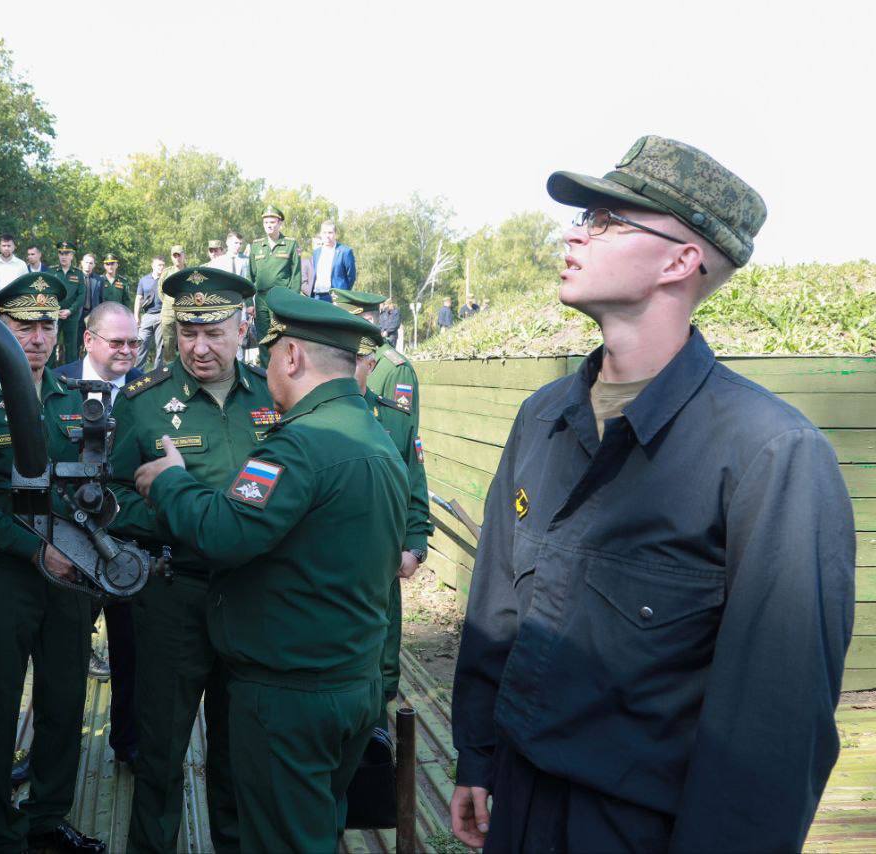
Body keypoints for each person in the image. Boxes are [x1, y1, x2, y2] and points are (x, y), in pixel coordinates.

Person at [449, 135, 855, 854]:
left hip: (638, 829)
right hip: (517, 804)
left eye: (606, 220)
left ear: (679, 261)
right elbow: (497, 608)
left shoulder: (770, 454)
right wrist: (476, 757)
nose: (575, 234)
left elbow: (775, 728)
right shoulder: (544, 418)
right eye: (584, 218)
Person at [131, 287, 405, 851]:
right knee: (315, 828)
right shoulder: (374, 435)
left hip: (291, 696)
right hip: (353, 682)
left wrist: (172, 481)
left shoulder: (298, 446)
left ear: (293, 357)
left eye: (273, 352)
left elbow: (225, 532)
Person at [0, 270, 106, 854]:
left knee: (64, 701)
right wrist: (35, 549)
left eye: (46, 325)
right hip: (7, 574)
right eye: (22, 325)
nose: (36, 338)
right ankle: (3, 832)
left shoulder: (75, 399)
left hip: (71, 574)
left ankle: (46, 819)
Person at [108, 267, 269, 853]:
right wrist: (181, 517)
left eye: (214, 333)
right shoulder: (145, 402)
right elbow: (112, 496)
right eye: (187, 332)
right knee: (159, 750)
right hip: (174, 593)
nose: (199, 348)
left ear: (243, 328)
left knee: (239, 749)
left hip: (253, 596)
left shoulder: (273, 396)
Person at [56, 301, 144, 760]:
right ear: (88, 340)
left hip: (128, 542)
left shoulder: (149, 390)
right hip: (69, 543)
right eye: (118, 342)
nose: (128, 351)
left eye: (134, 342)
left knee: (133, 651)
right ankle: (53, 755)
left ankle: (129, 745)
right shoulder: (55, 386)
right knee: (62, 657)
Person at [354, 335, 431, 725]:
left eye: (355, 360)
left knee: (384, 667)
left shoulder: (394, 418)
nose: (344, 369)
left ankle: (378, 736)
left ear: (371, 365)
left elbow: (415, 485)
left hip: (383, 567)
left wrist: (414, 548)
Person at [332, 290, 421, 430]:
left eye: (345, 322)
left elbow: (397, 431)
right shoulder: (341, 358)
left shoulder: (396, 370)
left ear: (369, 321)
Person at [247, 204, 301, 366]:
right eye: (266, 222)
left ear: (280, 223)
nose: (269, 225)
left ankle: (283, 371)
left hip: (281, 298)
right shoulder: (256, 245)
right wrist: (249, 303)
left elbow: (296, 275)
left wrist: (292, 301)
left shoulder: (290, 244)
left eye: (272, 222)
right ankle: (265, 372)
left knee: (281, 336)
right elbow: (250, 276)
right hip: (261, 299)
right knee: (264, 338)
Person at [53, 241, 87, 365]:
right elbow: (46, 293)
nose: (63, 256)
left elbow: (81, 295)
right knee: (51, 344)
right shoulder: (52, 272)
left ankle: (70, 373)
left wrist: (70, 310)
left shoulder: (78, 274)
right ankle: (48, 372)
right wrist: (54, 310)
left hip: (71, 316)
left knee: (71, 347)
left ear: (72, 255)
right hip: (54, 315)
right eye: (61, 253)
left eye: (66, 253)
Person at [310, 220, 357, 301]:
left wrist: (343, 293)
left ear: (335, 234)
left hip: (336, 297)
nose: (327, 236)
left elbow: (351, 276)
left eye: (330, 232)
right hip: (317, 296)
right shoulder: (316, 252)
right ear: (321, 234)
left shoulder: (345, 252)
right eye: (324, 232)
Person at [156, 245, 187, 367]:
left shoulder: (189, 272)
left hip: (185, 311)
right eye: (175, 256)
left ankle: (186, 366)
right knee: (168, 342)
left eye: (179, 255)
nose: (177, 258)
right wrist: (169, 302)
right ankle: (170, 367)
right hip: (168, 312)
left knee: (186, 339)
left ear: (184, 255)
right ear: (171, 257)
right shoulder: (166, 272)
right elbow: (160, 291)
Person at [134, 257, 166, 370]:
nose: (161, 267)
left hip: (162, 315)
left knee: (161, 347)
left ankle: (158, 373)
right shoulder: (144, 280)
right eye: (159, 265)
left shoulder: (166, 280)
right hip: (147, 316)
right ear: (152, 266)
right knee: (141, 344)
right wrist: (136, 316)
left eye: (163, 265)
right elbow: (139, 298)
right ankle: (138, 373)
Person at [0, 234, 28, 299]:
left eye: (9, 246)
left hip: (16, 302)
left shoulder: (21, 265)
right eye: (4, 246)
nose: (6, 248)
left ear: (14, 247)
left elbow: (25, 285)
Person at [78, 252, 102, 331]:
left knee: (91, 336)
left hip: (92, 314)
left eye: (91, 263)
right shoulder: (75, 277)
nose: (88, 265)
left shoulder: (99, 280)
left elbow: (101, 299)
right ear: (82, 263)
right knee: (76, 337)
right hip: (77, 314)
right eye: (86, 262)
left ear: (94, 265)